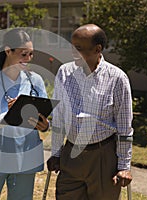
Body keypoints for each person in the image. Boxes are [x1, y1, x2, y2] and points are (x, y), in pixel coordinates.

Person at [47, 24, 133, 200]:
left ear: (97, 49)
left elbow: (124, 127)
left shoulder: (117, 78)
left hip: (103, 157)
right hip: (71, 154)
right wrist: (56, 152)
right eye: (72, 47)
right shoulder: (65, 73)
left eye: (78, 49)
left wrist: (124, 166)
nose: (73, 53)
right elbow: (58, 118)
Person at [0, 28, 50, 200]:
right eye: (24, 54)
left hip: (25, 158)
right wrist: (6, 117)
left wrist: (45, 126)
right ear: (8, 51)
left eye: (31, 54)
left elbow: (43, 117)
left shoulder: (35, 80)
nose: (28, 59)